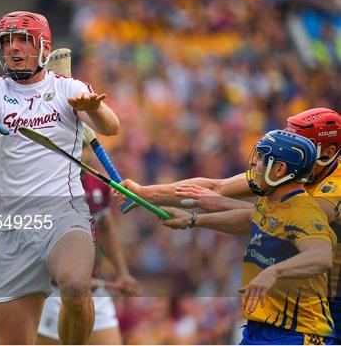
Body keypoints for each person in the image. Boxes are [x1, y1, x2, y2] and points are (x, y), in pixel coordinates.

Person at [0, 11, 119, 345]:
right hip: (13, 231)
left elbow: (111, 127)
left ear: (43, 46)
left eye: (24, 40)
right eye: (7, 41)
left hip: (64, 215)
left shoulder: (69, 88)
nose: (14, 48)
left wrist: (93, 108)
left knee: (76, 285)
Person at [116, 107, 341, 343]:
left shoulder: (324, 194)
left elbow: (280, 222)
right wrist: (145, 193)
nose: (291, 147)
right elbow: (216, 188)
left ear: (328, 152)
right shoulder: (283, 175)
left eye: (298, 144)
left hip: (325, 306)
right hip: (284, 308)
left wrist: (215, 205)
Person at [37, 171, 140, 345]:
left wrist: (123, 273)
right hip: (51, 294)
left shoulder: (98, 185)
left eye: (84, 147)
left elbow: (106, 228)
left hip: (94, 293)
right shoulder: (45, 186)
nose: (80, 152)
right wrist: (69, 280)